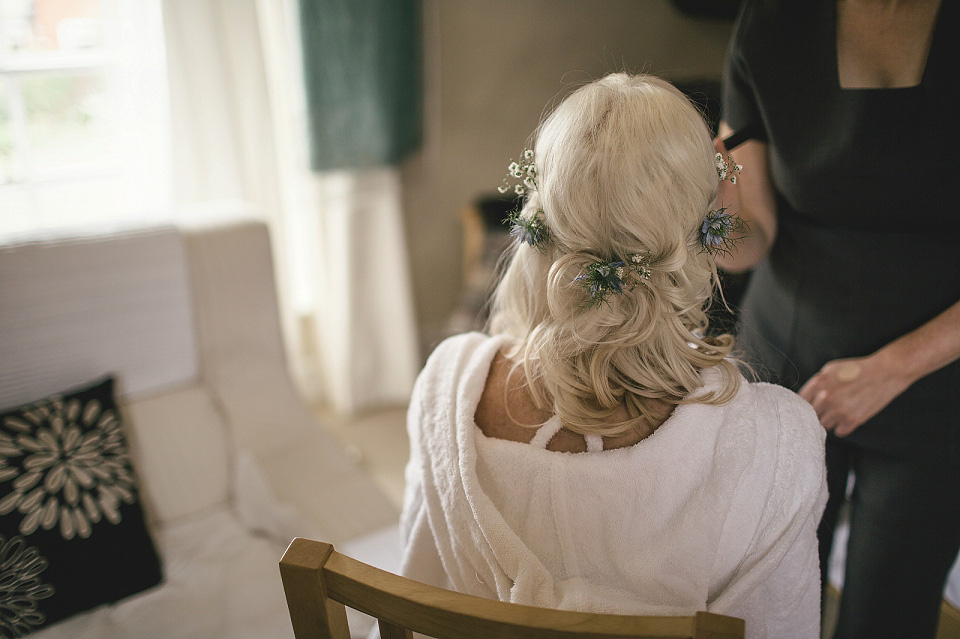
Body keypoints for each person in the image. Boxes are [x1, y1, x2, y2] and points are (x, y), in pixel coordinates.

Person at [399, 73, 827, 639]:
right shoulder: (775, 446)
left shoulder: (447, 386)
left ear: (540, 220)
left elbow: (418, 587)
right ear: (709, 224)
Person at [718, 1, 960, 637]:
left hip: (937, 385)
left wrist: (892, 368)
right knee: (761, 605)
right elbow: (751, 236)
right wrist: (711, 214)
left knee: (890, 614)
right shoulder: (773, 21)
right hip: (785, 367)